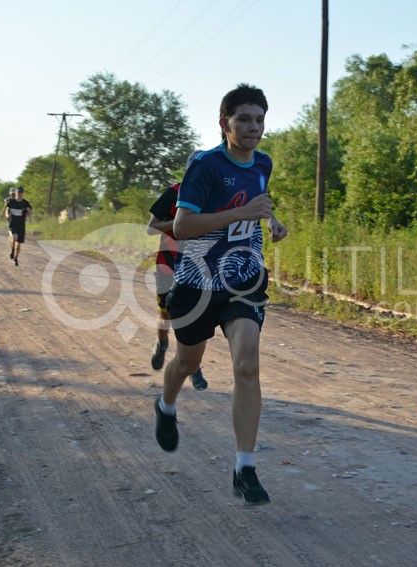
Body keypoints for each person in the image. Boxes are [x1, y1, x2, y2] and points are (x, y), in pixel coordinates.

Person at [154, 84, 287, 506]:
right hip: (196, 281)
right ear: (224, 123)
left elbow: (255, 204)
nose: (253, 128)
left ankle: (244, 467)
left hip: (243, 279)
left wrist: (271, 222)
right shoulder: (204, 166)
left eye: (259, 120)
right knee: (187, 361)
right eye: (244, 119)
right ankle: (166, 404)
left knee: (247, 365)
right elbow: (182, 226)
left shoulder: (263, 162)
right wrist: (241, 214)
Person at [147, 153, 209, 391]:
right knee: (166, 313)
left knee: (194, 316)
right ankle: (162, 343)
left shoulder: (210, 196)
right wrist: (178, 224)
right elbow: (150, 228)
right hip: (168, 262)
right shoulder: (173, 193)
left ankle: (194, 367)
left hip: (197, 265)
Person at [2, 186, 32, 266]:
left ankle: (16, 258)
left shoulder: (25, 203)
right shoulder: (12, 202)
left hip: (21, 225)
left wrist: (29, 215)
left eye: (21, 192)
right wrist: (6, 214)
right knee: (14, 236)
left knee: (18, 244)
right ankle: (12, 249)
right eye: (18, 192)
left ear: (23, 193)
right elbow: (6, 207)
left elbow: (30, 210)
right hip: (13, 224)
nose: (19, 194)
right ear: (16, 193)